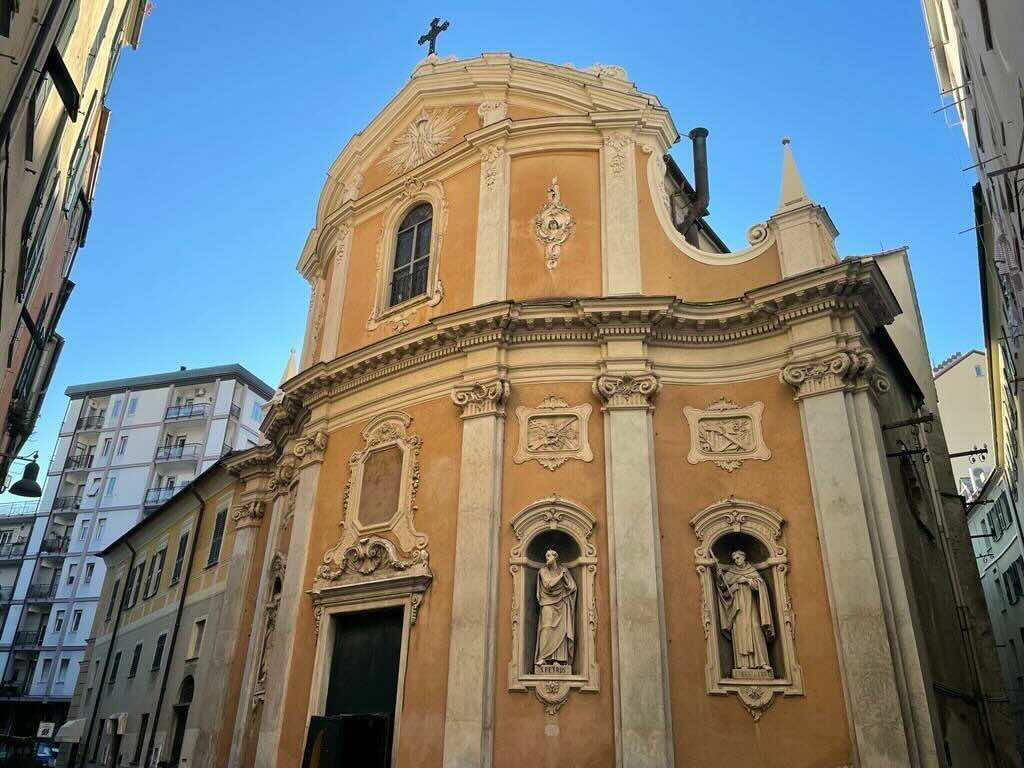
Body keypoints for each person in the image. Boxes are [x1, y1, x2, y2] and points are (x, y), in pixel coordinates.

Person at [534, 549, 577, 670]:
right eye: (546, 556)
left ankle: (559, 660)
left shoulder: (564, 570)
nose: (547, 558)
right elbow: (548, 585)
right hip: (547, 603)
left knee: (561, 630)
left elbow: (572, 586)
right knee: (546, 628)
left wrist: (566, 581)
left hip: (562, 603)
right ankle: (543, 658)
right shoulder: (543, 571)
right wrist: (561, 576)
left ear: (555, 557)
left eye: (549, 556)